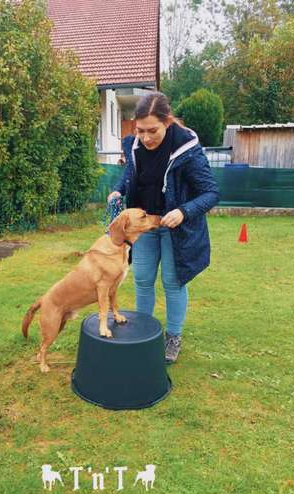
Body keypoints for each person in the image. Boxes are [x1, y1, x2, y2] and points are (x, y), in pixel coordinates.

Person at [107, 91, 219, 364]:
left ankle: (173, 336)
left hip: (175, 228)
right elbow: (131, 173)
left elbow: (211, 193)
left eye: (152, 131)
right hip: (143, 226)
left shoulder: (187, 149)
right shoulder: (134, 146)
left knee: (172, 282)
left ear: (167, 122)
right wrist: (119, 190)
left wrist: (184, 211)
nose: (145, 138)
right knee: (143, 280)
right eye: (140, 130)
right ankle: (145, 332)